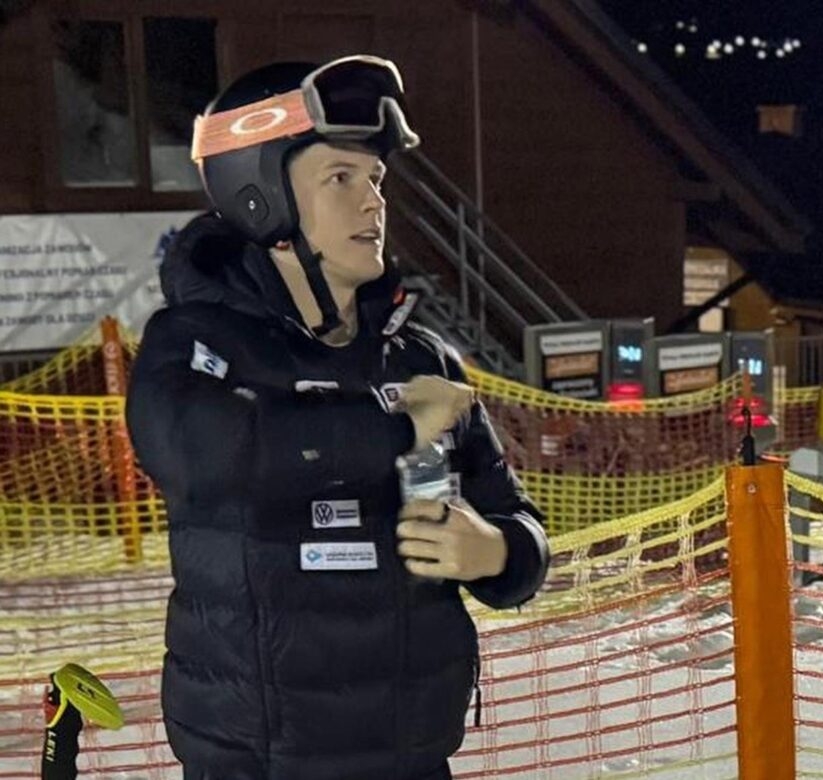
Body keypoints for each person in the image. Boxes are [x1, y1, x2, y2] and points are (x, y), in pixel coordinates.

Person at [125, 55, 549, 780]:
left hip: (412, 756)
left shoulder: (421, 359)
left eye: (376, 179)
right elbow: (204, 454)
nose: (373, 203)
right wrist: (394, 431)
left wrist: (497, 554)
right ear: (260, 197)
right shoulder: (197, 343)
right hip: (259, 763)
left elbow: (517, 520)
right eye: (340, 178)